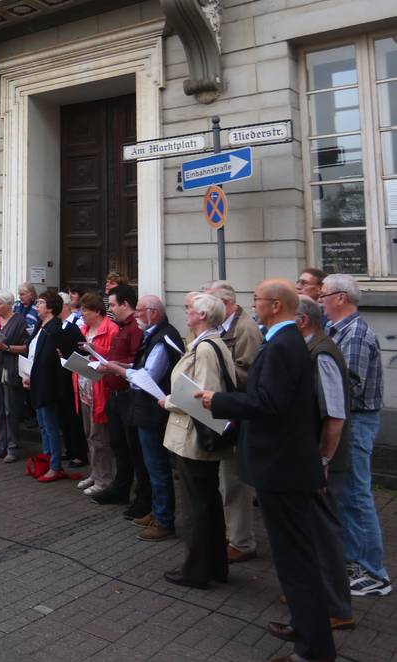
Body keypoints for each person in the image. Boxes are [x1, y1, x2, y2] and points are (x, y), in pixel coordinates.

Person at [201, 279, 335, 662]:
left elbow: (268, 403)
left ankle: (313, 649)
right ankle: (303, 624)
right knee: (294, 555)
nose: (252, 305)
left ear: (276, 305)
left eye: (257, 299)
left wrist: (218, 400)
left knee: (295, 558)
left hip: (281, 468)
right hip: (285, 465)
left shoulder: (281, 345)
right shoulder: (288, 341)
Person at [322, 273, 390, 598]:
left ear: (340, 298)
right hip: (351, 420)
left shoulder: (356, 334)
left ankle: (375, 573)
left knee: (358, 494)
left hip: (358, 421)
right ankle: (355, 562)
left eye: (324, 295)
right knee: (349, 495)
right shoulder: (339, 330)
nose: (320, 300)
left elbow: (349, 386)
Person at [160, 292, 234, 590]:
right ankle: (215, 565)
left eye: (189, 308)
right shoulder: (213, 343)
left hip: (193, 436)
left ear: (202, 315)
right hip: (195, 434)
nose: (186, 311)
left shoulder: (205, 348)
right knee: (208, 502)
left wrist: (167, 402)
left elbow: (205, 395)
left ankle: (196, 569)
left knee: (196, 506)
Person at [295, 294, 354, 631]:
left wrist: (323, 458)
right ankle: (317, 594)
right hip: (316, 458)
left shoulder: (322, 353)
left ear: (302, 321)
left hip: (326, 461)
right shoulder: (312, 348)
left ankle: (337, 607)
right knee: (314, 529)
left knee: (326, 532)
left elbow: (334, 416)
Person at [102, 295, 183, 541]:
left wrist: (119, 370)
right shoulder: (155, 334)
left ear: (153, 313)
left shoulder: (162, 338)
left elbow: (148, 377)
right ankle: (157, 511)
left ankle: (164, 519)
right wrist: (121, 365)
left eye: (139, 310)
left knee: (157, 466)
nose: (136, 314)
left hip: (153, 411)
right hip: (148, 409)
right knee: (151, 464)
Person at [205, 280, 263, 563]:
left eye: (210, 303)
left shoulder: (245, 329)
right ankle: (232, 535)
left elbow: (249, 375)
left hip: (236, 412)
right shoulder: (223, 325)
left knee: (235, 481)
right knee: (225, 479)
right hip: (222, 409)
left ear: (226, 303)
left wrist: (215, 371)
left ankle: (241, 541)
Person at [89, 284, 148, 517]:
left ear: (125, 304)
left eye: (113, 304)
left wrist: (114, 367)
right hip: (114, 393)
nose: (110, 309)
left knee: (134, 448)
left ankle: (139, 496)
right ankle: (120, 488)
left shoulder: (135, 328)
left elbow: (137, 361)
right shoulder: (122, 327)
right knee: (119, 446)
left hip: (128, 394)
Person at [22, 291, 68, 481]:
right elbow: (33, 352)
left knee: (50, 427)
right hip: (37, 380)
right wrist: (28, 375)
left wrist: (35, 377)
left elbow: (52, 361)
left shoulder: (56, 328)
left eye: (40, 302)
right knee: (42, 425)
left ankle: (55, 465)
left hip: (47, 384)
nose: (37, 306)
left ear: (50, 307)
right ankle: (47, 458)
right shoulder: (42, 326)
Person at [76, 293, 118, 495]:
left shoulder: (111, 329)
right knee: (88, 434)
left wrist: (93, 347)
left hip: (100, 388)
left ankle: (105, 478)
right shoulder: (82, 329)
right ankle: (95, 473)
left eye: (85, 310)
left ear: (97, 311)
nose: (82, 314)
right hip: (84, 386)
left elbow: (112, 358)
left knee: (99, 436)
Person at [0, 290, 28, 463]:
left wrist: (6, 348)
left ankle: (12, 447)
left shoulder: (19, 321)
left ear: (9, 304)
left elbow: (26, 347)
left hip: (9, 367)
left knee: (10, 407)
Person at [56, 294, 87, 467]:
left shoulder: (78, 323)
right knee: (64, 414)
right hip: (61, 374)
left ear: (66, 306)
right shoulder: (58, 324)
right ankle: (69, 448)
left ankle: (80, 452)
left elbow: (82, 348)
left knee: (75, 415)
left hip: (74, 374)